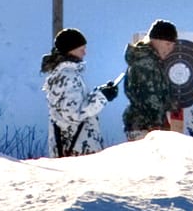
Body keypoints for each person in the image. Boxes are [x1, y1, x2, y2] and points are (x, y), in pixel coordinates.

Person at [41, 27, 119, 157]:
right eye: (81, 49)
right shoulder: (68, 76)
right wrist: (102, 97)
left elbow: (74, 106)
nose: (85, 53)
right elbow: (73, 114)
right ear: (70, 49)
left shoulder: (64, 73)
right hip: (77, 150)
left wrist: (99, 93)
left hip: (74, 147)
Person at [123, 18, 180, 141]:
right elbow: (151, 99)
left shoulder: (151, 62)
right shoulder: (146, 64)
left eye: (173, 45)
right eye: (168, 44)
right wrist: (159, 127)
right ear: (155, 40)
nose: (170, 49)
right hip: (146, 128)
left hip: (145, 126)